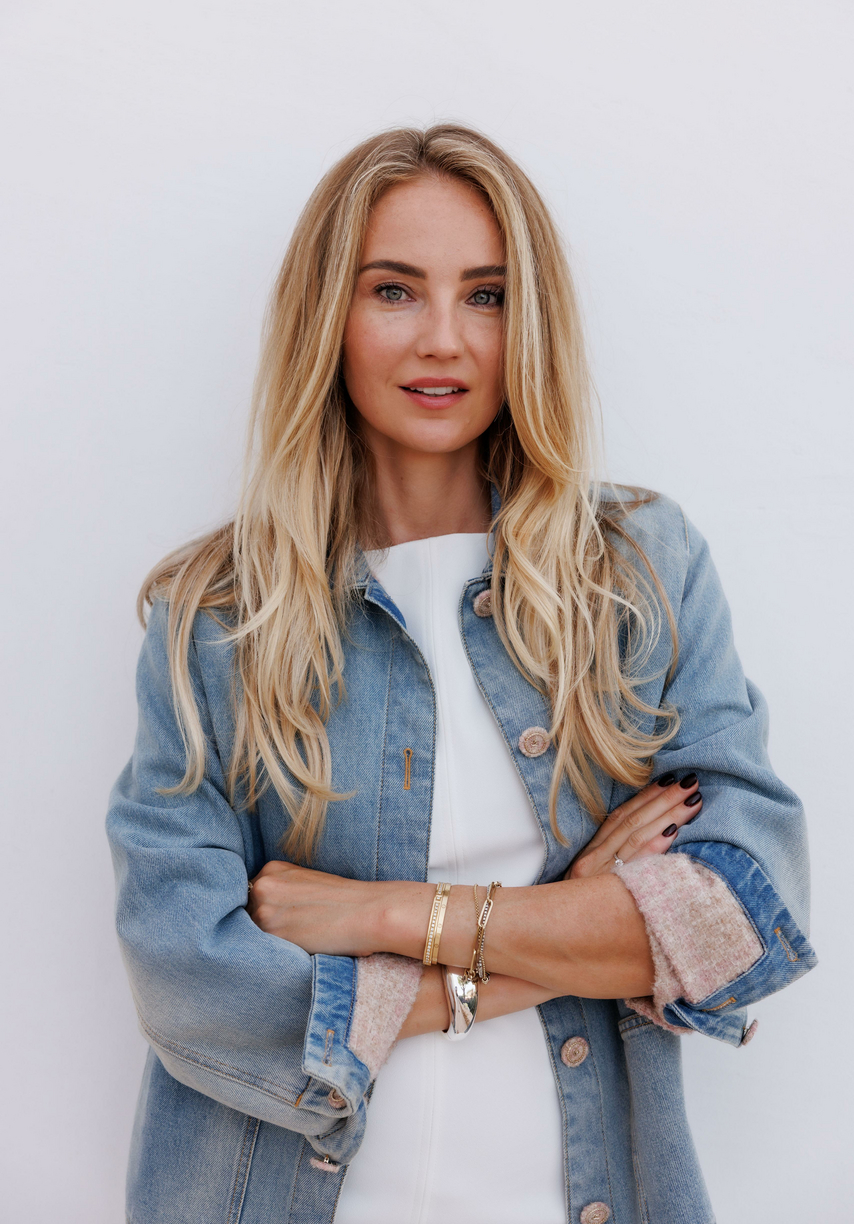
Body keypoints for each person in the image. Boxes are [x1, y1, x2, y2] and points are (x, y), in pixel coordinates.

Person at [107, 124, 816, 1224]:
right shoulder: (218, 618)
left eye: (486, 296)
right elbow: (189, 981)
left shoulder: (636, 573)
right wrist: (565, 933)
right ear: (328, 316)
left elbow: (736, 919)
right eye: (394, 290)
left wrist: (378, 912)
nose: (443, 339)